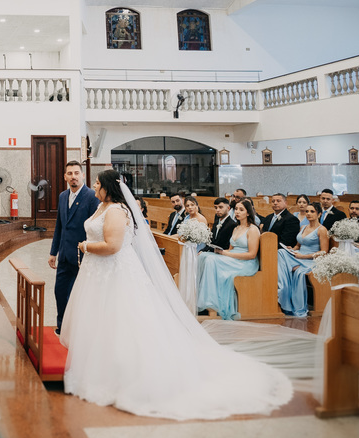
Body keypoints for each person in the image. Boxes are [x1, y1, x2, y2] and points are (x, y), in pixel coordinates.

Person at [60, 170, 292, 418]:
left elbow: (113, 246)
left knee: (125, 319)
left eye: (98, 183)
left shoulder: (117, 210)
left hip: (114, 271)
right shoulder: (102, 206)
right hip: (98, 272)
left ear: (108, 186)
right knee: (103, 319)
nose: (94, 186)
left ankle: (127, 372)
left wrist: (85, 246)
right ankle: (101, 364)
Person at [48, 161, 99, 333]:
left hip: (82, 256)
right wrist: (53, 252)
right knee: (60, 292)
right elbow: (60, 226)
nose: (73, 177)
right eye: (69, 173)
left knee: (79, 295)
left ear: (82, 175)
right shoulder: (63, 196)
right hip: (64, 255)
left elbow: (94, 228)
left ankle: (78, 330)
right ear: (65, 177)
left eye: (76, 173)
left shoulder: (91, 197)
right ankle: (62, 327)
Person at [196, 200, 261, 320]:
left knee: (211, 260)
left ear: (248, 213)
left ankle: (212, 302)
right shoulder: (236, 228)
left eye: (241, 210)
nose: (237, 212)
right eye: (236, 209)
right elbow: (230, 249)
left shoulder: (252, 229)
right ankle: (205, 299)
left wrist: (225, 253)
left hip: (246, 262)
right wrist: (220, 251)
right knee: (204, 256)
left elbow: (252, 254)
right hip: (233, 258)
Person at [277, 204, 330, 317]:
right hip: (299, 255)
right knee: (280, 252)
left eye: (312, 211)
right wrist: (292, 249)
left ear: (319, 214)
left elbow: (324, 252)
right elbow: (298, 246)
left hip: (311, 259)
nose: (308, 214)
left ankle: (296, 304)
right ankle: (283, 287)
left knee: (299, 272)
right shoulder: (303, 227)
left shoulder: (322, 229)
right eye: (307, 211)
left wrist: (303, 257)